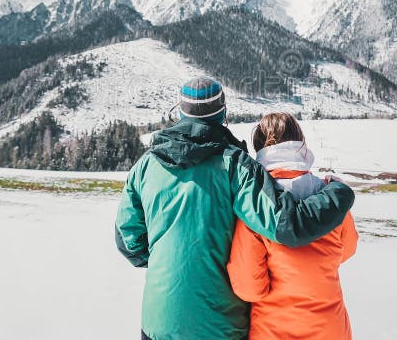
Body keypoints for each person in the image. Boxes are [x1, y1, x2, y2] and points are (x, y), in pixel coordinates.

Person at [115, 77, 355, 340]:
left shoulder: (145, 166)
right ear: (223, 114)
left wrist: (172, 259)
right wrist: (338, 192)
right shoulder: (236, 166)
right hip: (221, 326)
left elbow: (130, 244)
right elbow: (287, 225)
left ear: (179, 113)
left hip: (159, 321)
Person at [227, 112, 358, 340]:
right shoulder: (331, 198)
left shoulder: (258, 208)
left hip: (273, 330)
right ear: (301, 143)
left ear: (260, 150)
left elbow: (248, 287)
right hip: (330, 329)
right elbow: (347, 249)